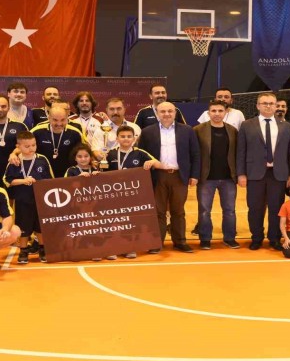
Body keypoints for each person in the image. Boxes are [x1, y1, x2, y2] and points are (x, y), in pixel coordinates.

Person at [237, 93, 290, 250]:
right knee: (255, 208)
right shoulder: (247, 125)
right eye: (264, 103)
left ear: (276, 106)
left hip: (278, 174)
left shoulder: (286, 126)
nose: (268, 106)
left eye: (271, 103)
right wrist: (241, 173)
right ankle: (256, 238)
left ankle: (274, 238)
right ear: (258, 105)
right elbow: (241, 151)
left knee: (276, 208)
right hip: (254, 173)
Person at [137, 102, 199, 253]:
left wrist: (194, 175)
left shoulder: (187, 130)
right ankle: (157, 243)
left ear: (175, 113)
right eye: (163, 111)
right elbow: (141, 155)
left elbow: (195, 154)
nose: (166, 114)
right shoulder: (147, 132)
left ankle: (180, 242)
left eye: (170, 111)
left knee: (178, 211)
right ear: (157, 113)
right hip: (157, 176)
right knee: (158, 211)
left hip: (179, 176)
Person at [101, 125, 160, 259]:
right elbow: (102, 172)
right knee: (113, 222)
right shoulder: (110, 154)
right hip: (113, 195)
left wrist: (151, 162)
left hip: (132, 196)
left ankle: (129, 248)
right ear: (117, 138)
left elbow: (159, 164)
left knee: (130, 222)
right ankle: (112, 249)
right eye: (122, 136)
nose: (126, 139)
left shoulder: (140, 153)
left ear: (134, 138)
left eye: (129, 136)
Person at [194, 100, 239, 250]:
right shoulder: (198, 130)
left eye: (220, 111)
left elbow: (237, 153)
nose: (217, 114)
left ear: (225, 112)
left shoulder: (232, 130)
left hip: (228, 178)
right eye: (213, 111)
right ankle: (205, 239)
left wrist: (238, 174)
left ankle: (230, 238)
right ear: (208, 113)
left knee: (230, 211)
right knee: (204, 211)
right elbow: (194, 154)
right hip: (206, 178)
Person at [4, 131, 54, 264]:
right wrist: (23, 181)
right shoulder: (14, 161)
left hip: (40, 200)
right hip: (22, 200)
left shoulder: (42, 159)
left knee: (40, 226)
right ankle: (23, 250)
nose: (31, 148)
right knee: (23, 226)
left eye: (33, 145)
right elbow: (7, 181)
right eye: (27, 146)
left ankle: (43, 249)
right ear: (18, 147)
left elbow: (50, 179)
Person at [27, 106, 84, 178]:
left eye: (63, 120)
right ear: (49, 118)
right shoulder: (36, 131)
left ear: (67, 118)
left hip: (68, 175)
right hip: (42, 173)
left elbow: (84, 150)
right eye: (55, 120)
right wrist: (14, 154)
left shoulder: (75, 133)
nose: (59, 123)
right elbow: (23, 146)